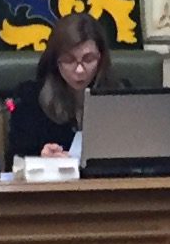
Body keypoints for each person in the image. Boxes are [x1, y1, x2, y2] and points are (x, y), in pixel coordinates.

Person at [7, 13, 110, 160]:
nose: (79, 70)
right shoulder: (29, 99)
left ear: (101, 59)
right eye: (69, 60)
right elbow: (14, 161)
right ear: (56, 60)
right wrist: (41, 159)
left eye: (89, 59)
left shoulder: (120, 95)